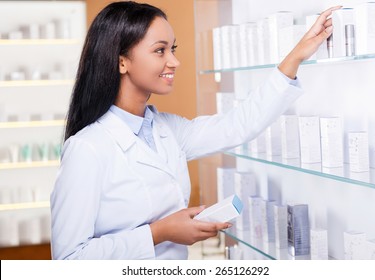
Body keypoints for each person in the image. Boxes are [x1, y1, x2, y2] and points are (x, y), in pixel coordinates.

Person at [50, 1, 341, 259]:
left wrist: (296, 57)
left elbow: (238, 125)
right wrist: (159, 232)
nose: (174, 61)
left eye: (172, 49)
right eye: (160, 50)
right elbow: (69, 259)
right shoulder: (87, 148)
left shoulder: (168, 130)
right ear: (121, 61)